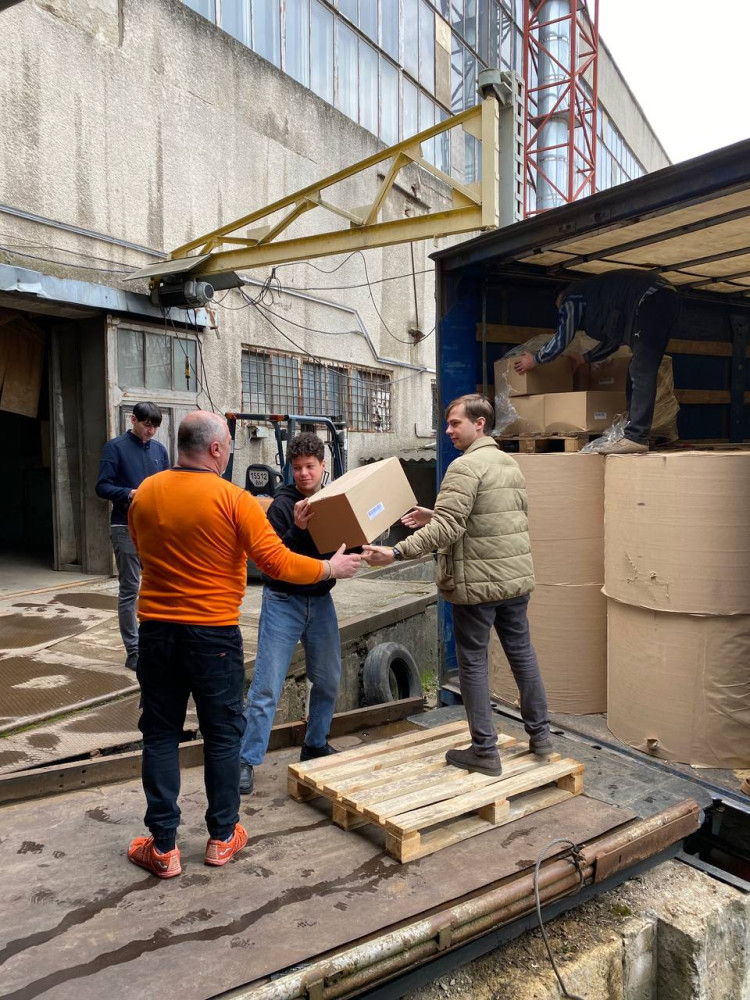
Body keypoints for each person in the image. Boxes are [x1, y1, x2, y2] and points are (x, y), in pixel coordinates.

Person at [126, 411, 360, 879]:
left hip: (156, 633)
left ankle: (164, 847)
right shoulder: (234, 500)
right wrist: (329, 569)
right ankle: (221, 837)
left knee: (160, 735)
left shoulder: (145, 493)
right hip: (213, 635)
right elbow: (276, 563)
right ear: (215, 449)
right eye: (229, 445)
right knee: (221, 735)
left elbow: (139, 545)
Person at [362, 394, 550, 777]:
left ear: (479, 424)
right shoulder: (509, 464)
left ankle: (484, 750)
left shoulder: (464, 467)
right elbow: (491, 518)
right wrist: (436, 512)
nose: (447, 431)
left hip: (477, 587)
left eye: (454, 423)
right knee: (522, 656)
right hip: (514, 581)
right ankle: (541, 736)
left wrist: (395, 553)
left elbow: (448, 529)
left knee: (473, 665)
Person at [239, 432, 347, 796]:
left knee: (329, 679)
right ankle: (246, 759)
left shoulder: (333, 501)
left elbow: (344, 546)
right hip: (283, 601)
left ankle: (315, 743)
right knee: (266, 686)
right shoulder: (282, 505)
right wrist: (299, 529)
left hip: (320, 601)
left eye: (309, 467)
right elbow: (275, 560)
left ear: (323, 467)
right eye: (297, 467)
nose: (303, 474)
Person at [513, 268, 679, 454]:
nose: (562, 312)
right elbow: (613, 341)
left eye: (561, 309)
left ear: (561, 299)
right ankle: (633, 434)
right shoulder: (603, 300)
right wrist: (584, 358)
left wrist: (535, 359)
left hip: (651, 298)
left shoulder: (571, 296)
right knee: (637, 370)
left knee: (641, 370)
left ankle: (636, 437)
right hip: (663, 298)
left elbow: (564, 335)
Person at [96, 402, 170, 670]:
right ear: (133, 420)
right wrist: (129, 493)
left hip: (155, 528)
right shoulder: (115, 448)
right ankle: (134, 651)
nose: (151, 431)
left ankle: (157, 644)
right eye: (147, 425)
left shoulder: (160, 451)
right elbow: (102, 487)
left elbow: (168, 485)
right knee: (130, 589)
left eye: (155, 427)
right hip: (124, 526)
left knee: (160, 585)